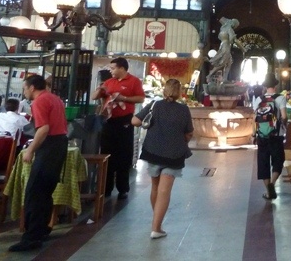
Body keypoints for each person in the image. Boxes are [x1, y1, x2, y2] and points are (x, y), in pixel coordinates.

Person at [7, 75, 68, 252]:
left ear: (32, 87)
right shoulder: (54, 98)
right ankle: (42, 229)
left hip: (49, 146)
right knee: (45, 191)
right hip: (60, 144)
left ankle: (31, 238)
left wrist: (30, 150)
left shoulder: (39, 101)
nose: (24, 91)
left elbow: (43, 128)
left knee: (34, 192)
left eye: (25, 88)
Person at [131, 78, 193, 239]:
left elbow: (135, 121)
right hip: (174, 154)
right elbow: (189, 133)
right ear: (179, 93)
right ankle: (156, 227)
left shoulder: (155, 105)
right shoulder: (184, 110)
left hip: (153, 151)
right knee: (164, 191)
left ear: (164, 90)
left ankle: (157, 222)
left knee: (155, 188)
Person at [92, 57, 145, 199]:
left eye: (113, 68)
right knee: (107, 154)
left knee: (124, 155)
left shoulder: (134, 81)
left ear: (122, 68)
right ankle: (106, 188)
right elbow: (94, 97)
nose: (111, 71)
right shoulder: (109, 82)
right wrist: (100, 89)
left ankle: (123, 188)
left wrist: (124, 98)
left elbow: (140, 98)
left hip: (125, 121)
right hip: (109, 122)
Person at [253, 73, 287, 201]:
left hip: (262, 136)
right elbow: (284, 117)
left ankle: (268, 192)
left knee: (263, 163)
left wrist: (253, 134)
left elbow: (254, 119)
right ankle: (272, 183)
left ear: (265, 86)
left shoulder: (259, 99)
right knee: (278, 160)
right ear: (275, 85)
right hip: (276, 135)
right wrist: (284, 125)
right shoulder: (280, 98)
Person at [207, 17, 242, 83]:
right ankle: (210, 74)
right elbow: (234, 40)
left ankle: (224, 79)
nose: (234, 26)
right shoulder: (229, 29)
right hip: (226, 46)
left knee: (229, 62)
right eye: (235, 25)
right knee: (222, 63)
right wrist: (243, 49)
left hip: (223, 45)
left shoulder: (223, 28)